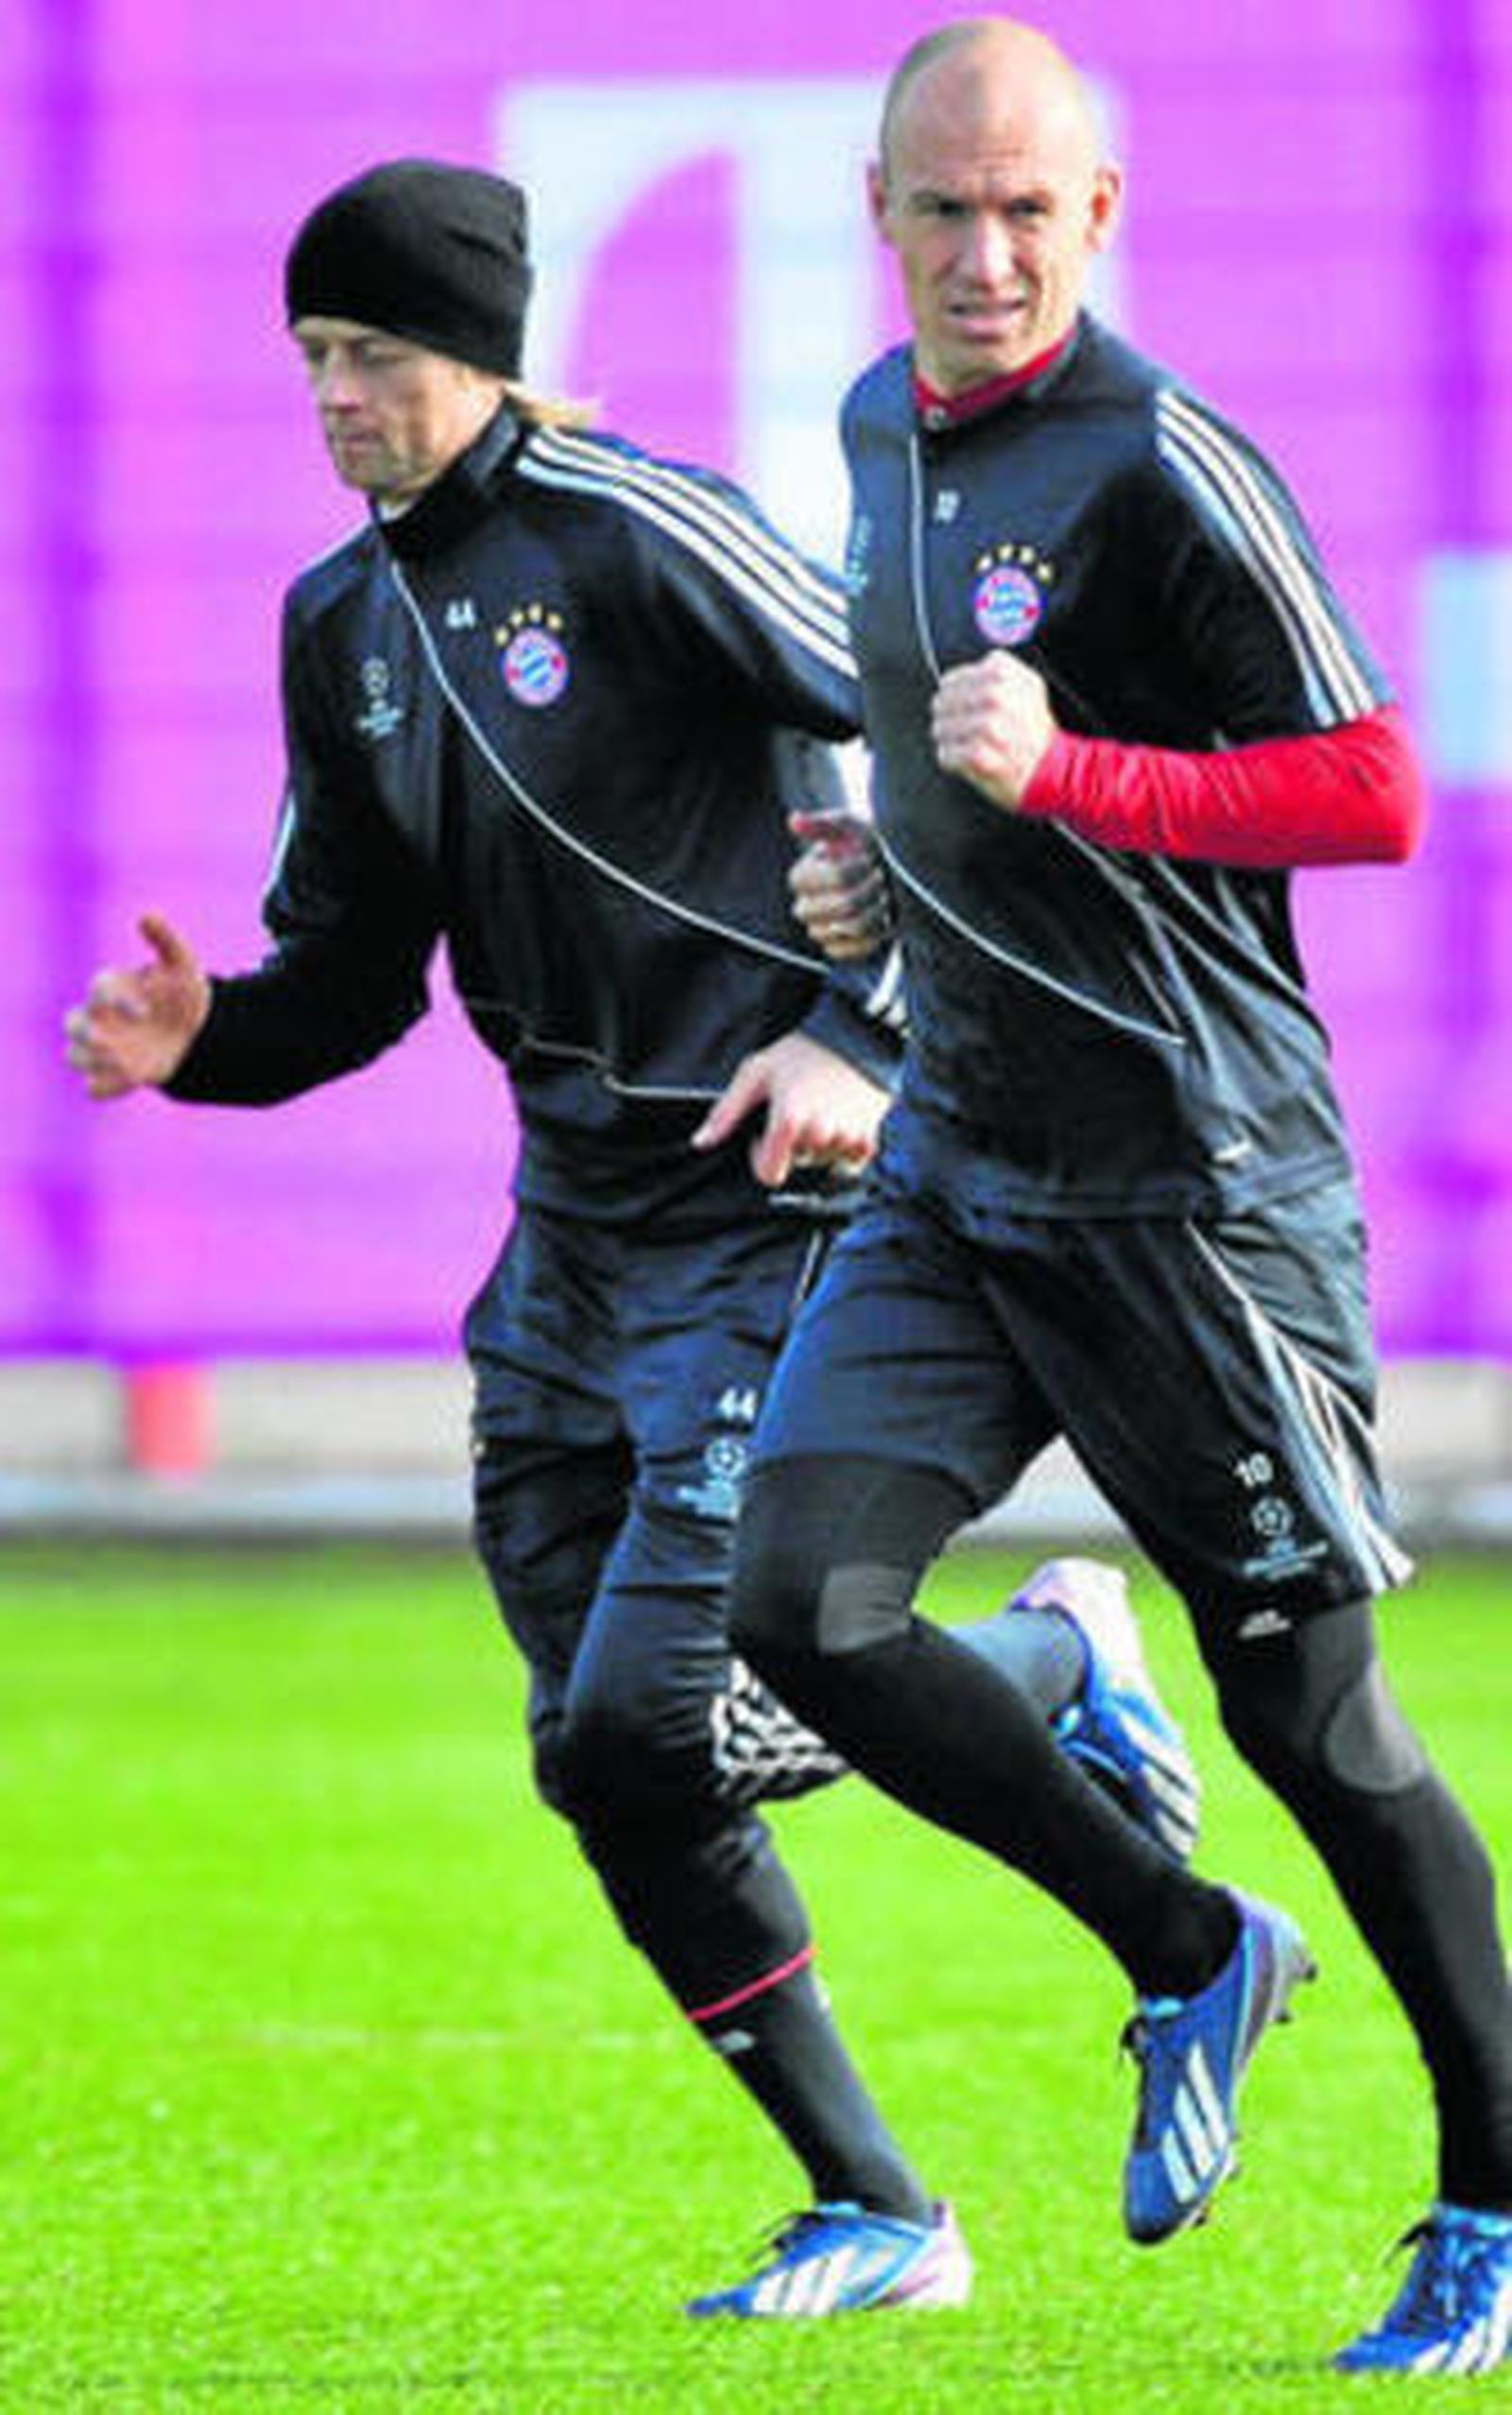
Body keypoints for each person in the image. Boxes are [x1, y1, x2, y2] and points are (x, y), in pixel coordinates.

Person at [63, 158, 1203, 2319]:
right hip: (569, 1251)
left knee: (647, 1727)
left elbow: (933, 724)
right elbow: (353, 972)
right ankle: (880, 2212)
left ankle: (1058, 1663)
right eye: (310, 356)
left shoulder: (637, 527)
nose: (336, 396)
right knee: (595, 1758)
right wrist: (210, 1038)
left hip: (773, 1216)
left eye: (375, 354)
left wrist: (862, 1023)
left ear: (481, 352)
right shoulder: (341, 624)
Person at [723, 21, 1512, 2374]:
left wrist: (1071, 771)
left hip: (1194, 1197)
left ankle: (1490, 2204)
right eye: (942, 209)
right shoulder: (878, 430)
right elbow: (949, 782)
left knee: (1319, 1727)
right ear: (880, 210)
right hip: (966, 1163)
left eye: (1027, 211)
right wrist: (887, 895)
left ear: (1099, 216)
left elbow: (1370, 787)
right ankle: (1187, 1952)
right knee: (801, 1602)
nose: (983, 254)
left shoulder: (1157, 457)